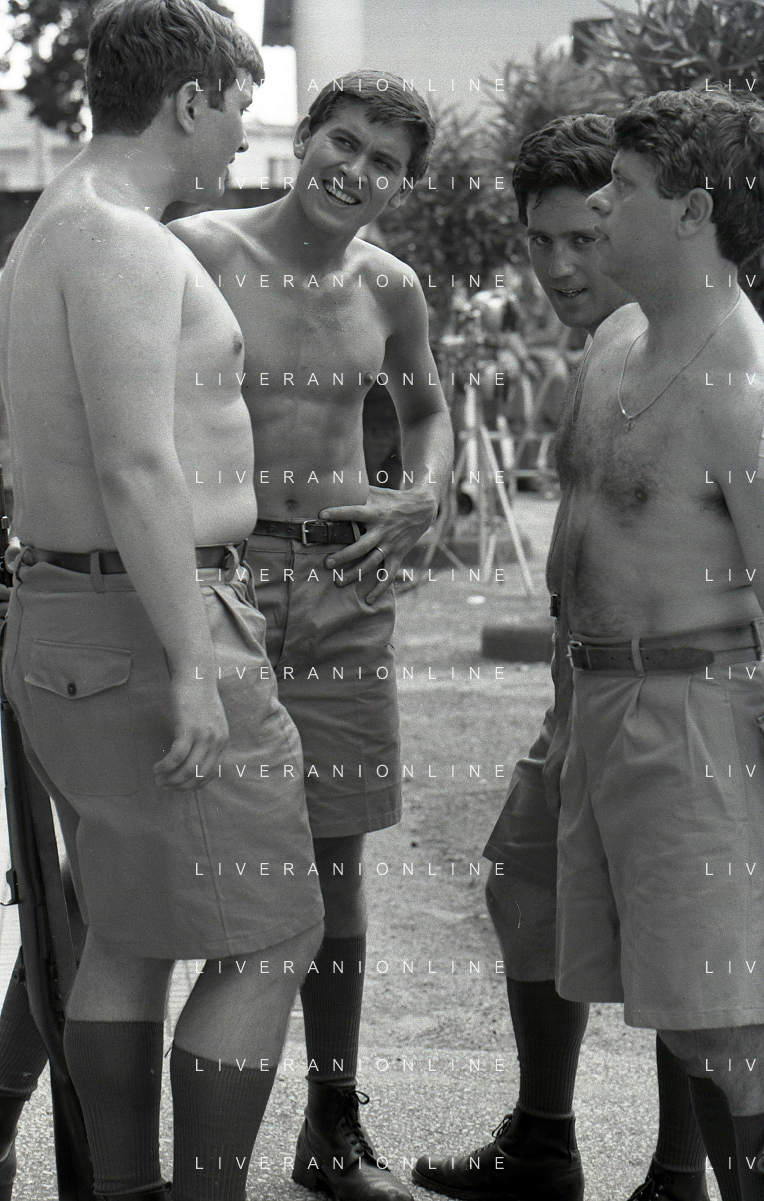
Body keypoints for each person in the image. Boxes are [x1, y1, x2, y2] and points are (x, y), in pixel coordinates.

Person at [0, 2, 325, 1199]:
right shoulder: (123, 240)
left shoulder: (50, 227)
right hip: (153, 617)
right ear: (189, 100)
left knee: (128, 927)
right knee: (274, 928)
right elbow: (137, 464)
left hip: (76, 611)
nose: (241, 136)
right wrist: (193, 663)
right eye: (238, 109)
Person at [413, 114, 716, 1201]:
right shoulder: (605, 348)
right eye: (539, 241)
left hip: (673, 699)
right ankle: (545, 1140)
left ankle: (677, 1172)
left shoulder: (697, 342)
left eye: (584, 237)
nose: (557, 266)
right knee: (523, 877)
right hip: (578, 693)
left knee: (680, 943)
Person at [169, 70, 453, 1201]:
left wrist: (424, 495)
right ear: (305, 139)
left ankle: (332, 1122)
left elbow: (426, 411)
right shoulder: (198, 249)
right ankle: (64, 1117)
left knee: (335, 867)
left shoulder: (391, 286)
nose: (358, 171)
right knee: (149, 858)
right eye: (345, 142)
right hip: (215, 581)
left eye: (386, 162)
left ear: (402, 184)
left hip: (339, 587)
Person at [552, 87, 764, 1201]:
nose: (598, 202)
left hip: (698, 728)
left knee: (734, 1029)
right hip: (600, 713)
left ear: (691, 211)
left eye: (622, 186)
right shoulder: (615, 342)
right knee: (687, 1022)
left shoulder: (746, 388)